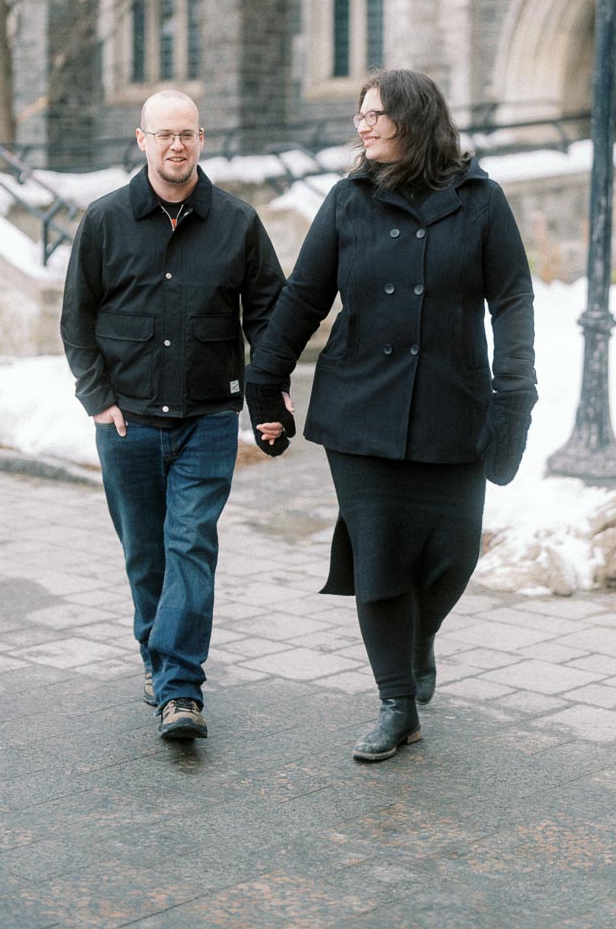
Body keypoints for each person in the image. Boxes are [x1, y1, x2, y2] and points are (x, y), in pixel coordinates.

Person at [249, 68, 536, 762]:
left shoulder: (480, 202)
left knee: (452, 557)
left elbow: (514, 303)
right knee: (379, 558)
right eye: (360, 114)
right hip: (361, 410)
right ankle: (395, 703)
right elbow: (303, 297)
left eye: (376, 114)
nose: (363, 125)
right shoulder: (348, 201)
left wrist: (514, 396)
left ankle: (419, 638)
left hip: (453, 405)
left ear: (415, 119)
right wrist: (265, 378)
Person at [60, 89, 287, 741]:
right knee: (146, 556)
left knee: (192, 545)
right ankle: (157, 660)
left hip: (209, 417)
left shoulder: (238, 223)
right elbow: (77, 317)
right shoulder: (105, 221)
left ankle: (180, 690)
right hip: (127, 420)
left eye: (186, 133)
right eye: (164, 135)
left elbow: (269, 313)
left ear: (201, 138)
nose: (176, 145)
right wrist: (96, 397)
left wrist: (268, 397)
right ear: (142, 140)